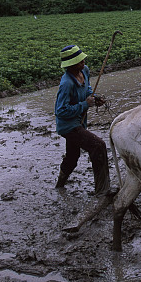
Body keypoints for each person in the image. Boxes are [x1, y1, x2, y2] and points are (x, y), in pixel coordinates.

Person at [54, 44, 111, 196]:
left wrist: (95, 98)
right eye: (79, 61)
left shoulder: (84, 71)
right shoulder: (67, 83)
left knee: (72, 157)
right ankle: (102, 190)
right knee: (98, 146)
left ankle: (59, 185)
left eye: (82, 59)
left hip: (79, 121)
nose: (83, 61)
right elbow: (61, 111)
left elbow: (88, 90)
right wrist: (85, 104)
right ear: (71, 65)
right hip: (68, 126)